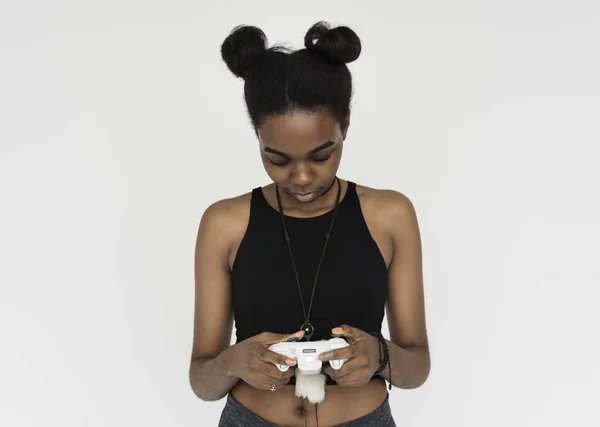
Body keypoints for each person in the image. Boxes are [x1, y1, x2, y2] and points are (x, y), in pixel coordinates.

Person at [189, 21, 430, 427]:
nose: (301, 177)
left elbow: (417, 367)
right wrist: (235, 361)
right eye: (277, 159)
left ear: (345, 126)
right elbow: (203, 381)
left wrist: (379, 357)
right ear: (258, 138)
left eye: (321, 156)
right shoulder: (224, 223)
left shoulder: (390, 215)